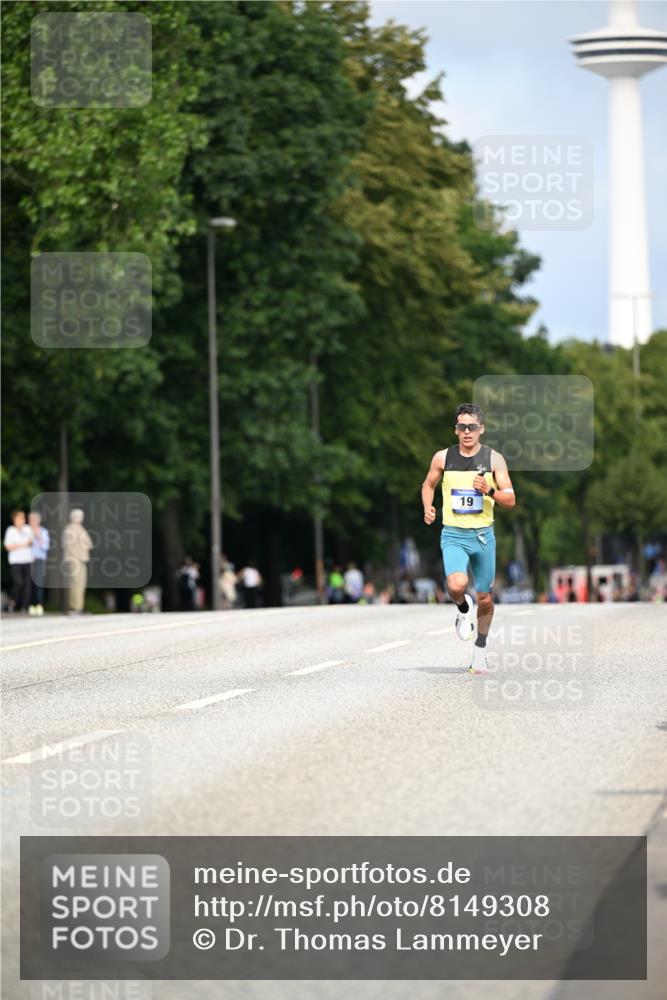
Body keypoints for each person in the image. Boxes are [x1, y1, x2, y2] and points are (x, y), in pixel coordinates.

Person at [421, 403, 516, 673]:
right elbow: (428, 485)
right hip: (453, 534)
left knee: (485, 598)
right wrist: (428, 506)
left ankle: (481, 650)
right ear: (455, 430)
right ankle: (463, 609)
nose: (467, 432)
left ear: (481, 429)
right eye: (462, 427)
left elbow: (510, 499)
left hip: (484, 536)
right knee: (456, 584)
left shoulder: (494, 460)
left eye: (472, 427)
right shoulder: (442, 458)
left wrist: (489, 490)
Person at [62, 508, 93, 614]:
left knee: (79, 584)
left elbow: (89, 543)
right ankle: (76, 608)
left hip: (77, 560)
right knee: (77, 584)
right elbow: (70, 546)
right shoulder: (72, 529)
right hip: (76, 560)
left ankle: (78, 607)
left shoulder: (76, 528)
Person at [3, 510, 33, 612]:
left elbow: (32, 542)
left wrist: (18, 545)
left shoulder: (28, 529)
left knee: (27, 585)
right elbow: (8, 547)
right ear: (14, 519)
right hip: (15, 561)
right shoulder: (10, 530)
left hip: (28, 560)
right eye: (20, 518)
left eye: (23, 518)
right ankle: (12, 602)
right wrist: (23, 544)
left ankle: (24, 607)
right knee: (18, 583)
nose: (22, 520)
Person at [28, 510, 50, 615]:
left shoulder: (43, 531)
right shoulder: (26, 531)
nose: (33, 522)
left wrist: (38, 536)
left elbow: (46, 547)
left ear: (39, 521)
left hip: (39, 560)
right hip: (27, 560)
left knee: (39, 583)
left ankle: (40, 605)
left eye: (35, 520)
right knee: (28, 584)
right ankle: (31, 605)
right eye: (31, 520)